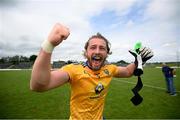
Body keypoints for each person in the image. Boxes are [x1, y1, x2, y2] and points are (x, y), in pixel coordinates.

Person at [30, 23, 153, 119]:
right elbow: (38, 85)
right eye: (93, 47)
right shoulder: (73, 70)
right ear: (86, 52)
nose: (98, 51)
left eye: (102, 48)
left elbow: (127, 71)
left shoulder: (110, 69)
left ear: (107, 53)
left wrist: (139, 60)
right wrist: (49, 44)